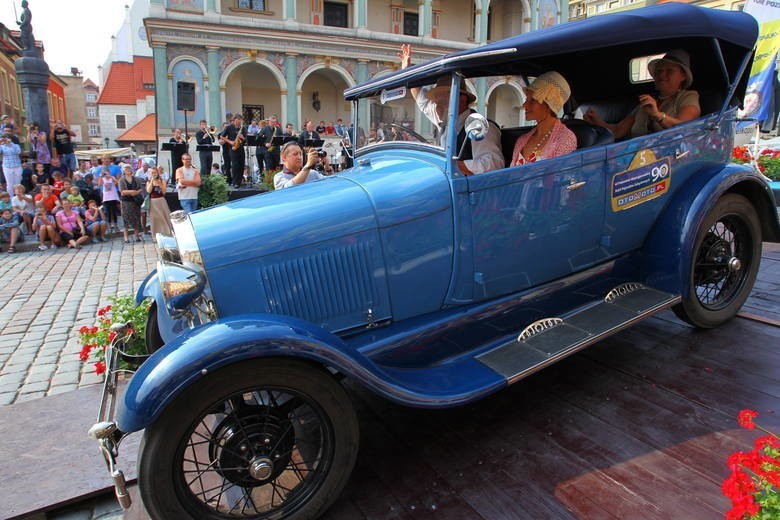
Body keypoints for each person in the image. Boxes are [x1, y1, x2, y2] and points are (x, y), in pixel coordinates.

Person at [400, 44, 504, 175]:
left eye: (443, 101)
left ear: (461, 100)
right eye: (436, 102)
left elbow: (493, 164)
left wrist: (448, 165)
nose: (437, 107)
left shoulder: (478, 126)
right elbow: (421, 100)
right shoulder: (444, 119)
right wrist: (406, 70)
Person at [584, 49, 700, 139]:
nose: (662, 75)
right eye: (659, 71)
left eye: (670, 71)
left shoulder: (687, 97)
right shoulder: (647, 102)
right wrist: (597, 121)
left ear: (683, 76)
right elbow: (618, 131)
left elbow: (685, 130)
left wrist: (657, 115)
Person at [510, 71, 577, 166]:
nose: (525, 105)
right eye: (526, 99)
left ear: (549, 105)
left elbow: (557, 178)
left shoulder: (565, 139)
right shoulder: (522, 140)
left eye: (533, 100)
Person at [118, 164, 143, 243]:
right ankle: (126, 237)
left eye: (129, 168)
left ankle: (136, 235)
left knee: (136, 218)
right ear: (124, 171)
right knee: (126, 219)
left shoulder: (136, 179)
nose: (128, 170)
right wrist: (132, 192)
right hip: (126, 202)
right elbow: (122, 192)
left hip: (135, 201)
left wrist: (135, 193)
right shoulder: (121, 180)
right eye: (126, 169)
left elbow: (141, 188)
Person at [146, 166, 174, 236]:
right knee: (154, 218)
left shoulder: (162, 180)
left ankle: (168, 232)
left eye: (155, 172)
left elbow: (164, 192)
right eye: (152, 173)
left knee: (165, 216)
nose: (154, 174)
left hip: (161, 201)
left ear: (158, 173)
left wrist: (160, 184)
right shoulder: (148, 181)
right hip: (153, 202)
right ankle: (155, 234)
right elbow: (148, 191)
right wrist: (152, 182)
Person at [222, 115, 247, 188]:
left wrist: (243, 138)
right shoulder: (229, 127)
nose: (239, 121)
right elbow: (222, 136)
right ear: (234, 120)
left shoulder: (243, 128)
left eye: (240, 120)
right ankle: (235, 182)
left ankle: (239, 182)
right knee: (235, 165)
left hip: (241, 148)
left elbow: (246, 140)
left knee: (241, 165)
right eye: (237, 119)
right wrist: (230, 142)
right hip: (233, 148)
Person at [98, 166, 120, 232]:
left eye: (107, 172)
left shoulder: (112, 177)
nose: (106, 174)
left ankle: (116, 225)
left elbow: (117, 183)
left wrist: (111, 177)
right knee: (108, 212)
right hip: (106, 198)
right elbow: (99, 184)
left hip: (113, 196)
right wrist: (101, 176)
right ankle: (109, 226)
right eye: (105, 173)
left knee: (114, 212)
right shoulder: (103, 178)